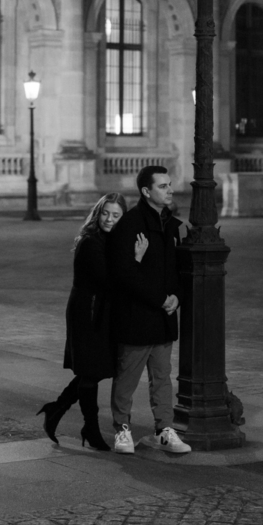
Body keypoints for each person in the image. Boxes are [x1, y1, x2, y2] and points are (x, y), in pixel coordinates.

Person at [106, 165, 191, 455]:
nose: (170, 190)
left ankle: (164, 430)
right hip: (136, 314)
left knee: (162, 377)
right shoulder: (129, 225)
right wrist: (161, 298)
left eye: (169, 185)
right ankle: (122, 429)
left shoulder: (172, 225)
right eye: (163, 186)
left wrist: (177, 297)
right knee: (128, 377)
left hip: (164, 314)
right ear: (146, 191)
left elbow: (177, 271)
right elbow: (125, 274)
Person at [36, 193, 131, 451]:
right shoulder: (91, 241)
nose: (109, 219)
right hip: (87, 313)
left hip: (99, 311)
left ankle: (57, 408)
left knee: (94, 370)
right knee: (91, 371)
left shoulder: (111, 240)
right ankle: (90, 427)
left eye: (116, 215)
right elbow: (109, 281)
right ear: (97, 213)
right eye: (105, 213)